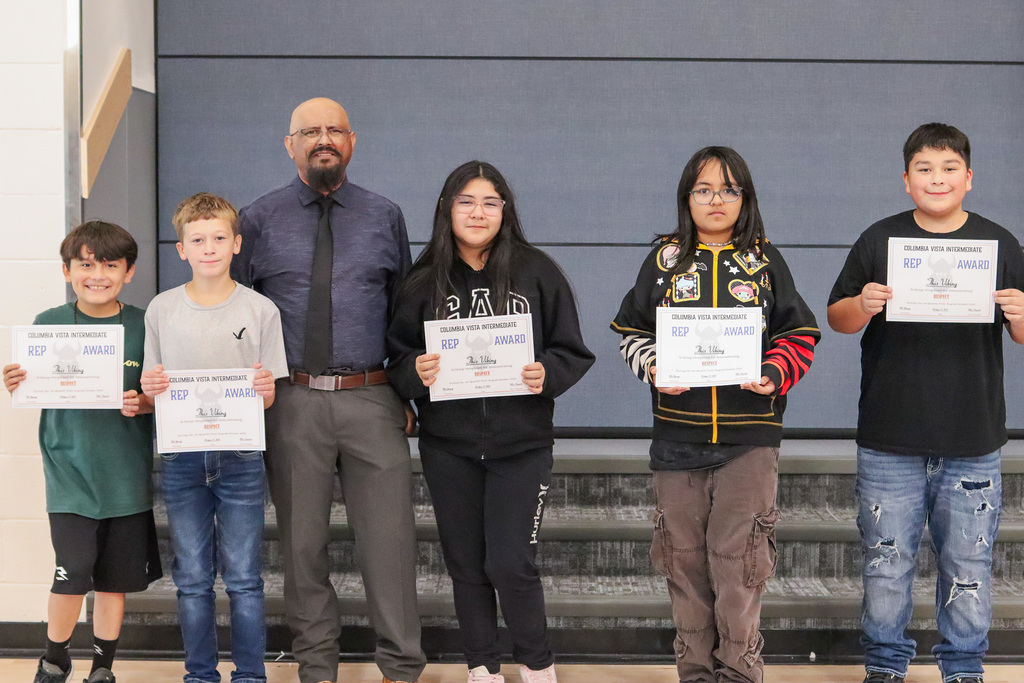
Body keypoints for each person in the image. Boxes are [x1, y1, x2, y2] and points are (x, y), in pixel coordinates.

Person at [231, 97, 426, 683]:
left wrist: (405, 394)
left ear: (351, 141)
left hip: (372, 397)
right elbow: (234, 314)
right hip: (291, 402)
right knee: (302, 547)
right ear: (289, 144)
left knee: (390, 544)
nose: (323, 139)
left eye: (334, 130)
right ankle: (317, 669)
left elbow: (404, 315)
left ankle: (401, 668)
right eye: (310, 131)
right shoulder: (256, 220)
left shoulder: (384, 215)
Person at [611, 147, 819, 683]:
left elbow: (799, 333)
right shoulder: (663, 260)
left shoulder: (765, 261)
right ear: (687, 198)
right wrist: (653, 365)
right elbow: (631, 332)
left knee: (740, 563)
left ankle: (740, 670)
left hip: (750, 439)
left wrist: (774, 371)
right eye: (703, 190)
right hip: (677, 438)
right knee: (682, 561)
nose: (716, 200)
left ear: (745, 198)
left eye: (729, 189)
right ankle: (696, 672)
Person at [827, 123, 1024, 683]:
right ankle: (885, 665)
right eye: (924, 169)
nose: (937, 179)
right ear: (906, 179)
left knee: (969, 563)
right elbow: (837, 318)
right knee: (886, 563)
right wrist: (863, 303)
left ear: (969, 178)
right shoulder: (879, 240)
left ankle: (963, 667)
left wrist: (1020, 313)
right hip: (890, 438)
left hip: (972, 438)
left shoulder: (1000, 244)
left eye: (949, 168)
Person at [387, 161, 595, 683]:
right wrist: (415, 372)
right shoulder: (421, 281)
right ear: (446, 208)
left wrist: (547, 373)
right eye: (466, 202)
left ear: (505, 210)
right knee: (465, 565)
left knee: (510, 563)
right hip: (448, 446)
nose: (478, 213)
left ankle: (537, 666)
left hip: (521, 446)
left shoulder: (537, 272)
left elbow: (572, 350)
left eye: (490, 203)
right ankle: (482, 668)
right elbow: (396, 360)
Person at [3, 221, 162, 683]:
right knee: (71, 575)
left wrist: (143, 401)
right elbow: (34, 386)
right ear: (67, 270)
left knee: (113, 582)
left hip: (126, 476)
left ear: (129, 272)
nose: (98, 275)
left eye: (110, 265)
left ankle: (102, 668)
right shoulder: (47, 324)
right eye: (86, 264)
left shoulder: (144, 325)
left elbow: (158, 395)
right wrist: (16, 382)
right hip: (69, 474)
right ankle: (54, 660)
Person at [141, 193, 287, 683]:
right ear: (181, 249)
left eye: (219, 238)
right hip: (181, 456)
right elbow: (152, 386)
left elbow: (269, 395)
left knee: (244, 578)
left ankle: (250, 675)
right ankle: (200, 675)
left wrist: (265, 391)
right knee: (192, 579)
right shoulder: (161, 310)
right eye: (198, 239)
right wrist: (150, 387)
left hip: (241, 455)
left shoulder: (261, 309)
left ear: (236, 244)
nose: (209, 248)